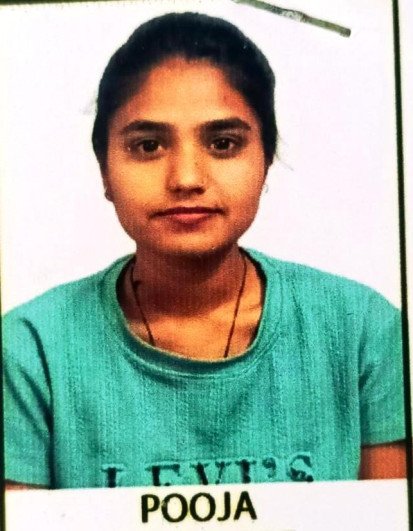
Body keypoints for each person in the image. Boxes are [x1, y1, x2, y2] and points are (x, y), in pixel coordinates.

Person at [4, 12, 406, 489]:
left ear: (266, 160)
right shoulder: (31, 350)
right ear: (105, 170)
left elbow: (387, 515)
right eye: (148, 146)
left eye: (223, 143)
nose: (187, 179)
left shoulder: (361, 331)